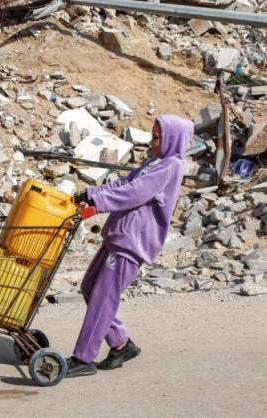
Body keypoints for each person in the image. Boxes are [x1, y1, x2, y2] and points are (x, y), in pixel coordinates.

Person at [66, 114, 194, 378]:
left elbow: (135, 193)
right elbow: (125, 183)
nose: (152, 142)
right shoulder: (154, 162)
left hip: (132, 242)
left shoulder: (170, 166)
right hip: (118, 235)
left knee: (103, 298)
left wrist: (98, 202)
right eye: (153, 136)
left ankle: (83, 358)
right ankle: (121, 343)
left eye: (158, 138)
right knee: (90, 287)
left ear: (173, 139)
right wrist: (90, 194)